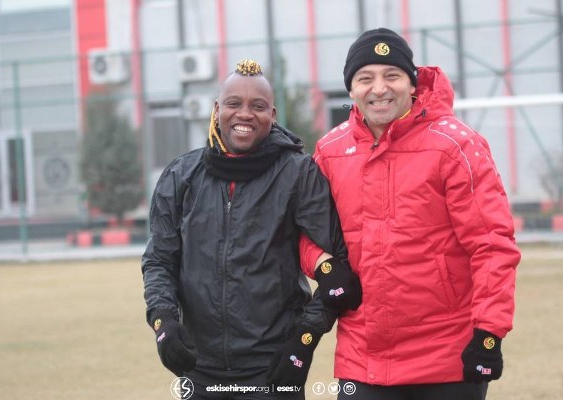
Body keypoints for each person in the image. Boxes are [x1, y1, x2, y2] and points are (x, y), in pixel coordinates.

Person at [299, 28, 521, 400]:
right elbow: (303, 231)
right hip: (363, 357)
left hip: (448, 355)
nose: (379, 88)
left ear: (412, 83)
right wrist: (322, 264)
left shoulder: (457, 144)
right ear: (351, 89)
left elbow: (492, 244)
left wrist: (488, 332)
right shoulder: (329, 151)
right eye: (365, 78)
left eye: (392, 75)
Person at [142, 59, 361, 399]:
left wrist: (304, 340)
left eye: (257, 106)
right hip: (198, 369)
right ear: (217, 109)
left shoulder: (298, 174)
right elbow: (159, 260)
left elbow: (341, 268)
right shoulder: (181, 175)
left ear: (272, 115)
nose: (244, 114)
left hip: (272, 369)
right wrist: (164, 319)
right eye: (234, 103)